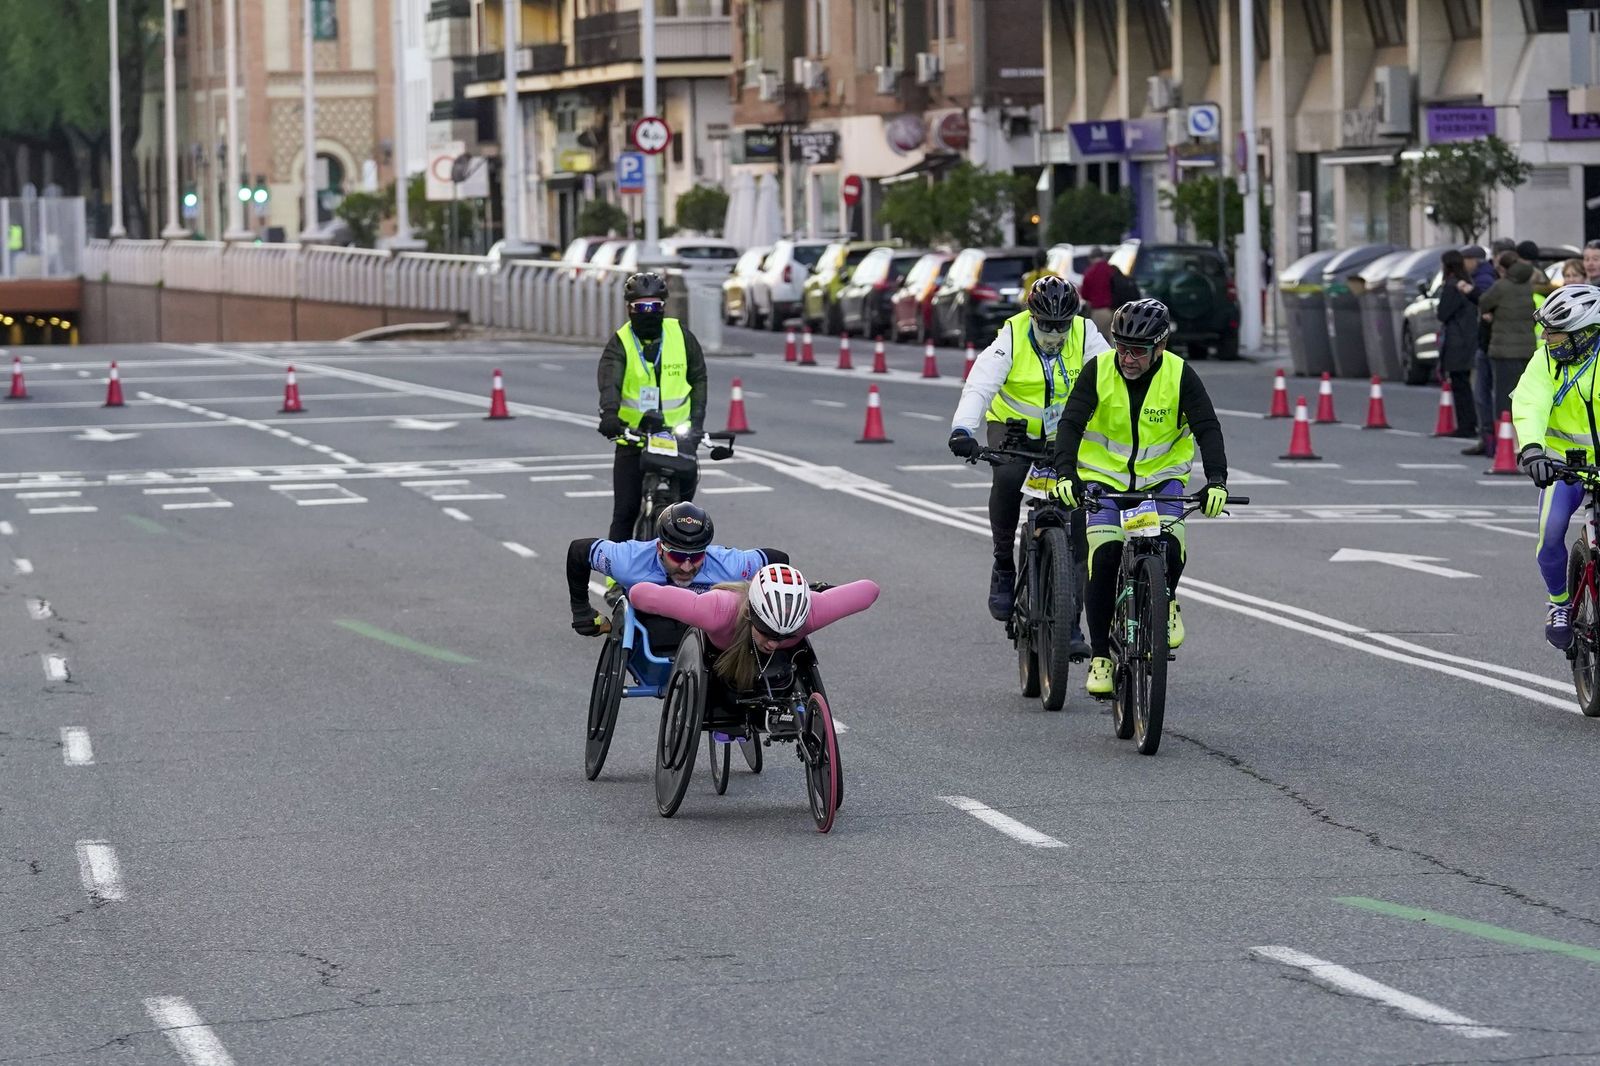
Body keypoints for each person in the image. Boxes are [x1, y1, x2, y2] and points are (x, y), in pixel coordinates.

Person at [1049, 298, 1229, 697]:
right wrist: (1066, 474)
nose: (1127, 358)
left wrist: (1216, 481)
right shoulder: (1098, 371)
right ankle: (1100, 657)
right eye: (1121, 347)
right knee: (1106, 555)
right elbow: (1071, 424)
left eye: (1138, 351)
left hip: (1160, 480)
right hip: (1104, 481)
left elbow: (1208, 428)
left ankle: (1166, 599)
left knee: (1171, 545)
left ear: (1161, 347)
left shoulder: (1181, 375)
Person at [947, 275, 1110, 645]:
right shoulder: (1012, 335)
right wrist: (963, 429)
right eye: (1046, 325)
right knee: (1008, 478)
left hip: (1064, 434)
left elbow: (1108, 378)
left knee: (1081, 515)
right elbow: (981, 384)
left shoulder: (1085, 335)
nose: (1054, 333)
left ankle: (1071, 622)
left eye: (1061, 326)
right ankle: (1004, 564)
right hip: (1012, 429)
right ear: (1031, 316)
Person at [628, 564, 879, 708]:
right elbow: (640, 593)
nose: (773, 642)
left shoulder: (812, 612)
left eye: (785, 635)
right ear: (751, 615)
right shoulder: (716, 610)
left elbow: (870, 590)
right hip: (720, 658)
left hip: (775, 667)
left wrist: (826, 594)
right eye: (767, 632)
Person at [1510, 284, 1600, 650]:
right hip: (1563, 464)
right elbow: (1531, 404)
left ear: (1585, 334)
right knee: (1551, 530)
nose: (1546, 337)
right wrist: (1532, 451)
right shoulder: (1545, 360)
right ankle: (1560, 603)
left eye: (1555, 332)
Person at [595, 272, 709, 542]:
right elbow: (610, 382)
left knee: (685, 516)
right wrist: (610, 415)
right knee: (625, 511)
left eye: (655, 306)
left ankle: (683, 577)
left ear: (664, 307)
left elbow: (699, 379)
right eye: (641, 307)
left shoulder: (681, 336)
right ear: (629, 309)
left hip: (676, 439)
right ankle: (615, 580)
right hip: (633, 438)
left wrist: (697, 424)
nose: (649, 312)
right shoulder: (620, 342)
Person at [566, 501, 788, 637]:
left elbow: (777, 560)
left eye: (697, 556)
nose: (687, 566)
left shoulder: (727, 563)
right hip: (652, 631)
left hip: (709, 634)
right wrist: (581, 610)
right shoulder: (629, 560)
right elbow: (579, 550)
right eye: (678, 556)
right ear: (660, 548)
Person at [1479, 249, 1540, 452]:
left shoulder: (1501, 286)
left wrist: (1491, 313)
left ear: (1504, 268)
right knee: (1525, 396)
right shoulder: (1527, 286)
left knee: (1505, 398)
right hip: (1527, 349)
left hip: (1504, 351)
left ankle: (1506, 444)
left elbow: (1484, 301)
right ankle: (1524, 441)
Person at [1435, 249, 1480, 441]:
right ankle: (1469, 423)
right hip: (1468, 339)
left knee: (1459, 385)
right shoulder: (1468, 284)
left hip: (1456, 341)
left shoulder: (1452, 286)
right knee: (1464, 384)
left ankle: (1466, 425)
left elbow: (1442, 313)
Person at [1080, 247, 1115, 337]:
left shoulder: (1090, 272)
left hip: (1099, 311)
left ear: (1091, 258)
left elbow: (1084, 294)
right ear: (1103, 256)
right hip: (1115, 310)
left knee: (1100, 343)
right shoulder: (1111, 269)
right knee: (1114, 343)